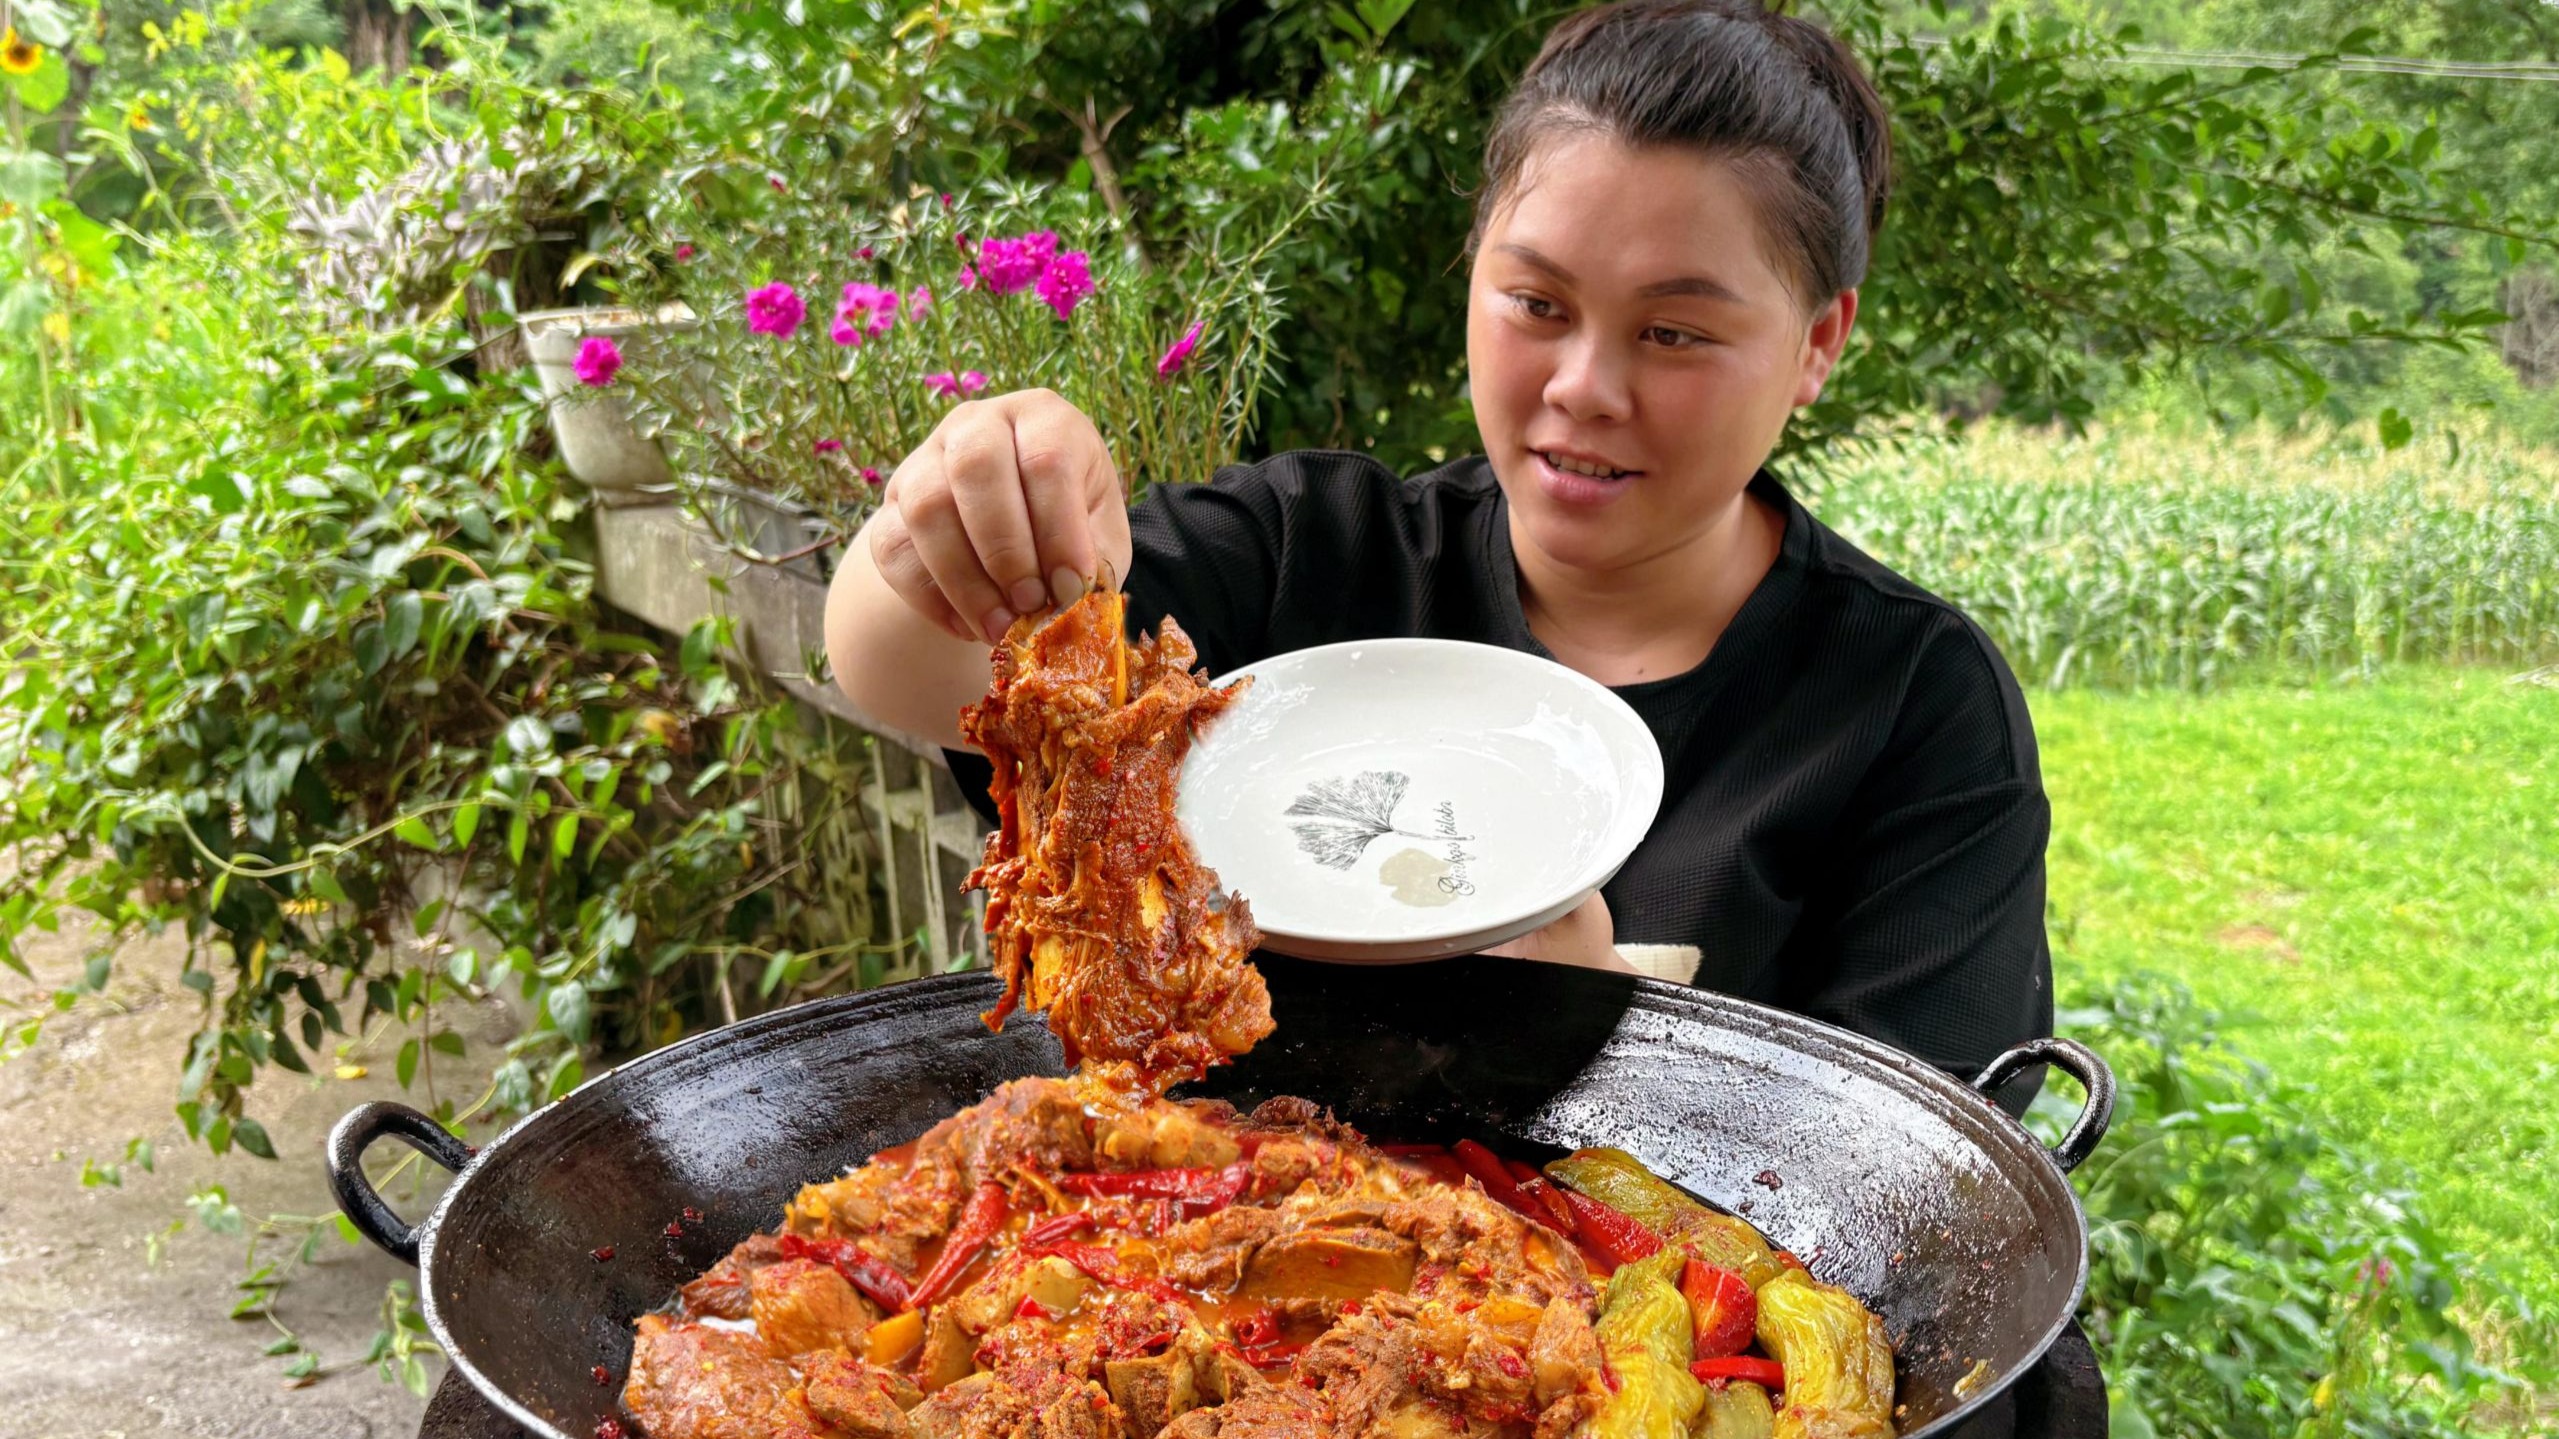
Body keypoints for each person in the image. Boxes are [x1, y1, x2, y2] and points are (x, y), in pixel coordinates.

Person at [824, 0, 2052, 1111]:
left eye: (1674, 332)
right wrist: (969, 509)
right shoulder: (1312, 551)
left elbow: (1915, 1175)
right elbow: (913, 669)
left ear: (1818, 342)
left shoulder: (1907, 705)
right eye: (1537, 304)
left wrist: (1598, 1032)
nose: (1586, 387)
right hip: (1185, 1280)